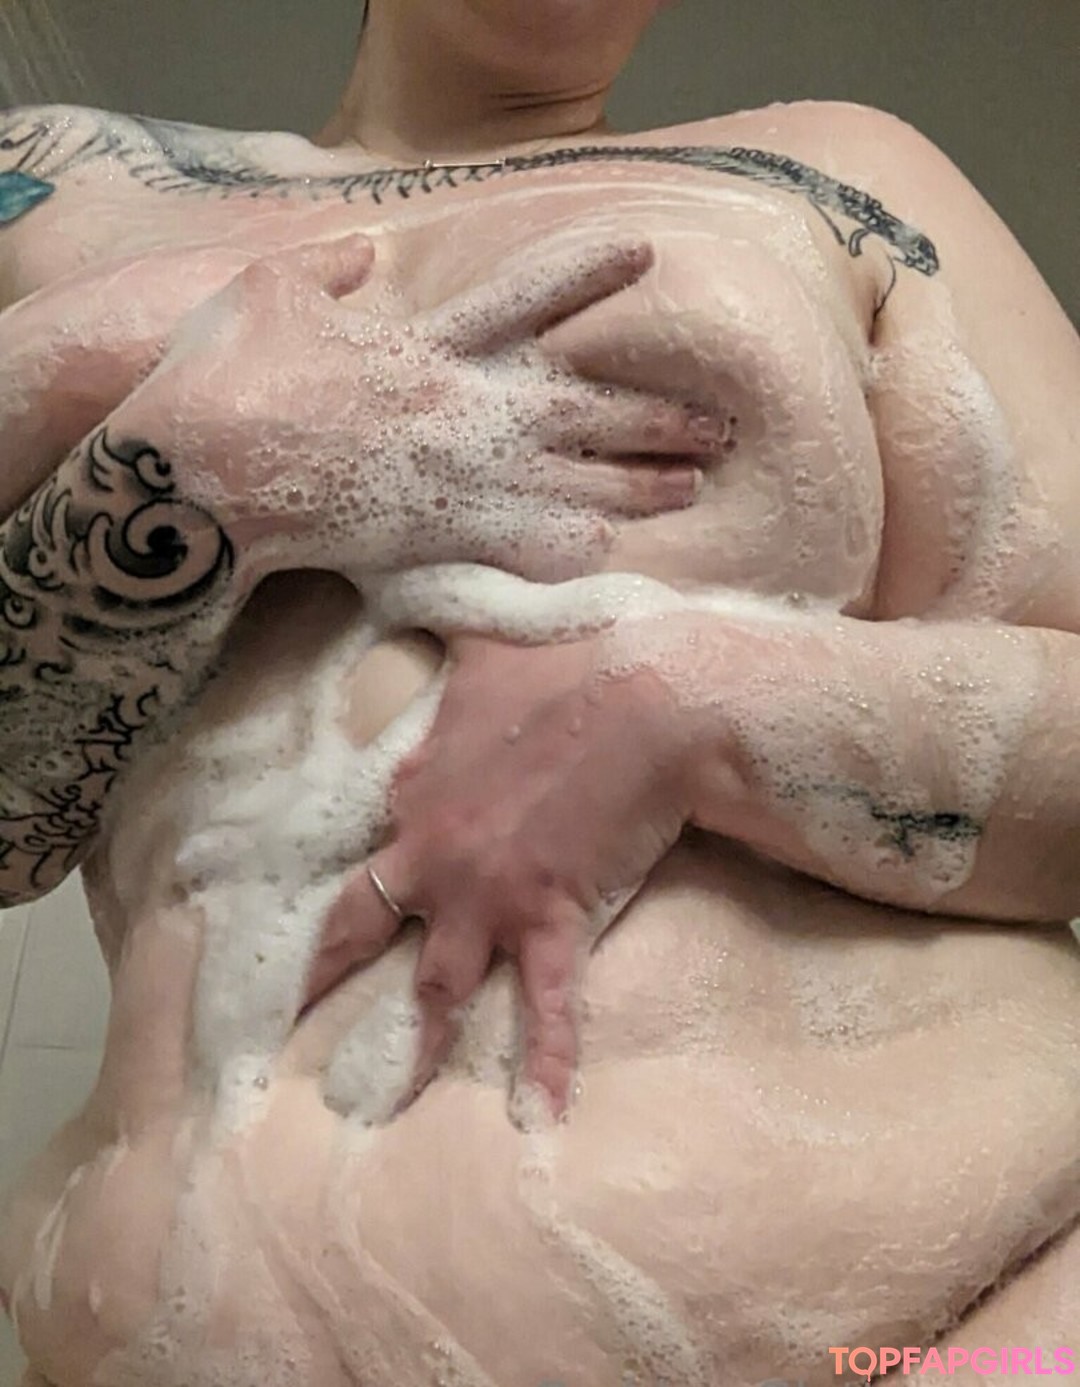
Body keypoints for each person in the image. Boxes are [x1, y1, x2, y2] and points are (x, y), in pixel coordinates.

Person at [1, 1, 1078, 1382]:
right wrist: (189, 471)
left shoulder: (847, 177)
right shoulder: (60, 189)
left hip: (962, 1337)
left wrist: (696, 705)